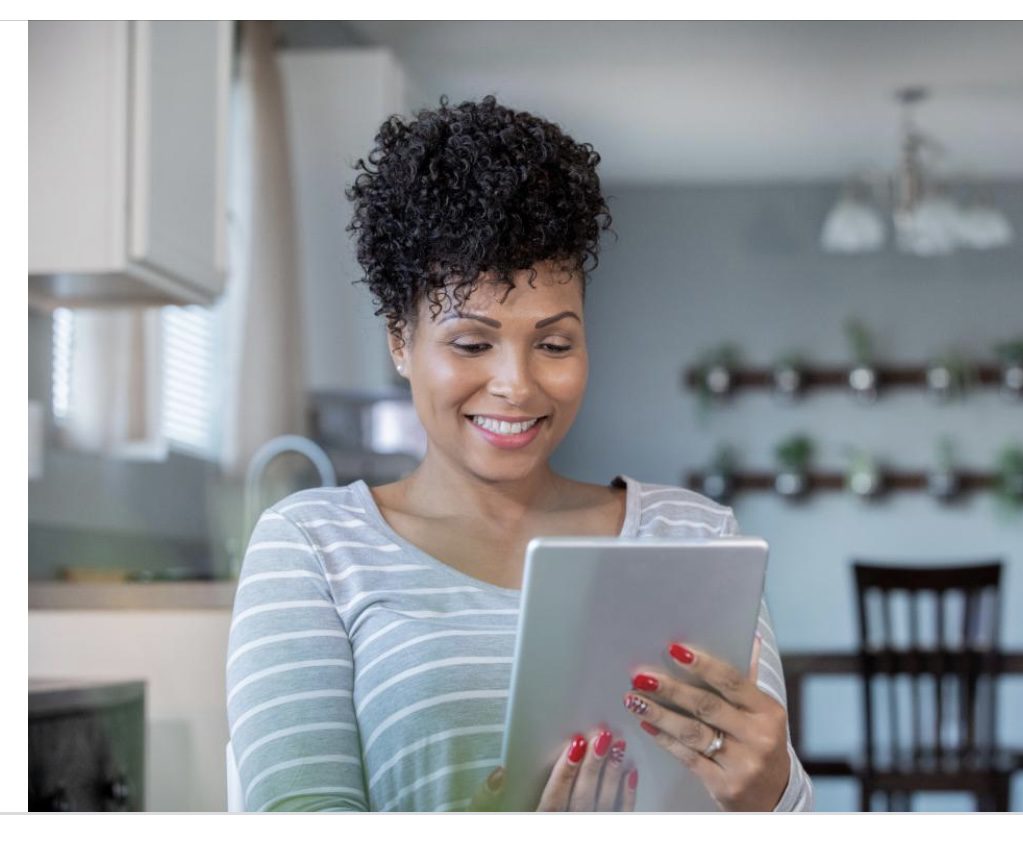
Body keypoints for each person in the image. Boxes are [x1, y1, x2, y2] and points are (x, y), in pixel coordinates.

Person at [225, 95, 814, 812]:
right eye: (472, 343)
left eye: (555, 343)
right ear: (400, 339)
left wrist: (773, 792)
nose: (517, 384)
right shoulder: (314, 549)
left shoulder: (696, 536)